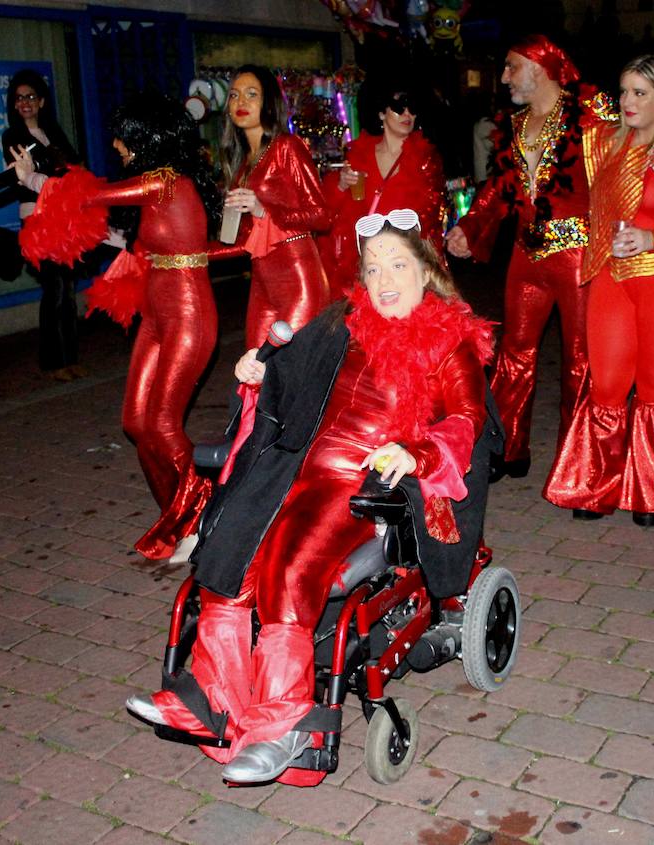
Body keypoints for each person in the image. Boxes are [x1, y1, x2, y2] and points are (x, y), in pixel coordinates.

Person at [123, 211, 495, 786]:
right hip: (295, 467)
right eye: (373, 269)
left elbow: (468, 422)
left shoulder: (449, 343)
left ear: (427, 271)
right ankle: (208, 701)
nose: (384, 279)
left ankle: (285, 724)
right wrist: (255, 373)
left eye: (398, 264)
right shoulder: (340, 324)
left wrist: (414, 455)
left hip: (362, 483)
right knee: (232, 548)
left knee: (289, 567)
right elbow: (286, 378)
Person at [16, 94, 223, 561]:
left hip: (190, 317)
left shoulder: (167, 181)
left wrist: (34, 178)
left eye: (125, 135)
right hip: (156, 317)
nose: (115, 143)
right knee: (135, 422)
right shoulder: (153, 190)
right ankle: (177, 515)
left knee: (164, 425)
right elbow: (122, 234)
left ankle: (208, 515)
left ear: (149, 137)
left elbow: (90, 196)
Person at [543, 55, 654, 526]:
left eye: (640, 93)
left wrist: (652, 238)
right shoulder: (603, 144)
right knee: (606, 384)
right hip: (612, 275)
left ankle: (649, 492)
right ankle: (595, 486)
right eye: (623, 91)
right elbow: (561, 111)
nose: (627, 102)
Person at [445, 35, 614, 482]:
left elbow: (629, 159)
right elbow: (499, 190)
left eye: (510, 67)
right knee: (514, 354)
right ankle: (508, 447)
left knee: (582, 361)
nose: (503, 77)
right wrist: (468, 226)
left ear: (539, 69)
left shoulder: (592, 114)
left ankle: (580, 461)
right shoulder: (515, 126)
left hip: (578, 255)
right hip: (525, 256)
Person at [219, 64, 333, 348]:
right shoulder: (242, 164)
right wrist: (187, 256)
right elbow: (244, 240)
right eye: (233, 95)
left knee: (295, 373)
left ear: (268, 102)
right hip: (262, 281)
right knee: (256, 371)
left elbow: (322, 215)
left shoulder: (287, 147)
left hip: (298, 280)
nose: (240, 102)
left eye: (251, 94)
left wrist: (263, 210)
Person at [1, 69, 85, 382]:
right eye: (19, 98)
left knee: (68, 287)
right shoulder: (11, 136)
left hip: (63, 216)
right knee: (55, 289)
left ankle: (70, 357)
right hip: (37, 216)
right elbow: (29, 176)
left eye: (31, 97)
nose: (25, 103)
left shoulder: (53, 133)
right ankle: (53, 362)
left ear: (42, 101)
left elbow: (74, 169)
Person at [319, 83, 446, 288]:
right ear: (380, 113)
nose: (408, 114)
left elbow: (431, 215)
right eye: (399, 107)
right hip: (366, 258)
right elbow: (328, 212)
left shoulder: (426, 158)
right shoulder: (359, 155)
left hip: (404, 256)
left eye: (412, 108)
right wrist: (341, 185)